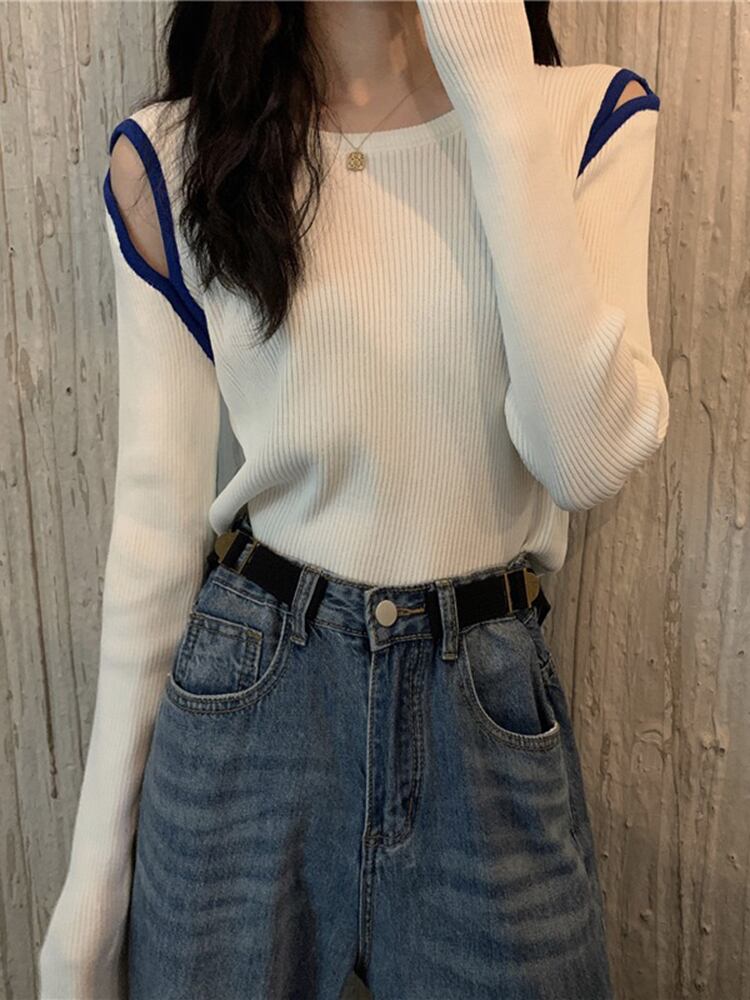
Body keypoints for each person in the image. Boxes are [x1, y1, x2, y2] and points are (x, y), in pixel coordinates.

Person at [39, 2, 669, 998]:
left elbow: (582, 458)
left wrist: (496, 91)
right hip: (252, 702)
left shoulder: (583, 120)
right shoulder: (180, 155)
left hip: (484, 721)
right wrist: (91, 888)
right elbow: (156, 529)